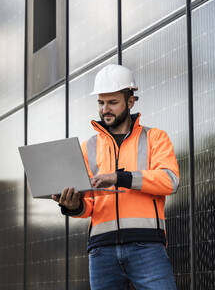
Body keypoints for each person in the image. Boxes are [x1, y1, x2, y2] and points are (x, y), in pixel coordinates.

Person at [52, 64, 179, 289]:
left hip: (146, 246)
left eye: (112, 102)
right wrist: (73, 205)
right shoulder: (88, 147)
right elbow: (89, 206)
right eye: (101, 102)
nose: (105, 109)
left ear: (130, 102)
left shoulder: (155, 138)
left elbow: (169, 180)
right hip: (101, 251)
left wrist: (120, 178)